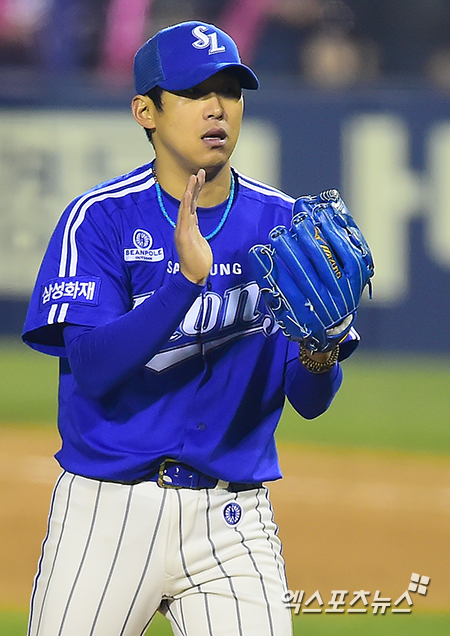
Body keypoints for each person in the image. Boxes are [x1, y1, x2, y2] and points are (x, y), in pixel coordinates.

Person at [22, 20, 359, 636]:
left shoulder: (286, 226)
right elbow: (92, 368)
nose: (217, 108)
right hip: (108, 510)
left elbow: (310, 402)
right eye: (195, 92)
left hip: (233, 519)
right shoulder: (100, 219)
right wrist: (183, 284)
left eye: (229, 91)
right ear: (145, 112)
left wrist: (321, 347)